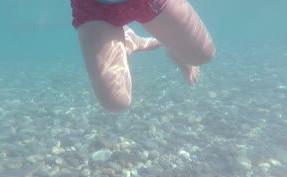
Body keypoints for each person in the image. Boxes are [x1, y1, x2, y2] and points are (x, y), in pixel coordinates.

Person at [71, 0, 215, 111]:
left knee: (202, 55)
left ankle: (175, 50)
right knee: (116, 102)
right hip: (94, 6)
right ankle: (130, 42)